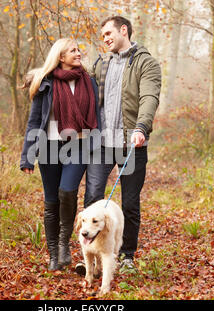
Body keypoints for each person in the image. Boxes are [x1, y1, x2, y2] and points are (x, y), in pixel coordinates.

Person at [76, 16, 161, 274]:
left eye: (108, 33)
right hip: (101, 144)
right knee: (92, 199)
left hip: (131, 144)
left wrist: (141, 127)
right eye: (102, 36)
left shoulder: (146, 63)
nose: (105, 39)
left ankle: (126, 257)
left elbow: (149, 96)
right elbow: (77, 82)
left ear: (124, 30)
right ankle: (89, 256)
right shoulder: (102, 64)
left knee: (130, 203)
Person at [20, 38, 101, 271]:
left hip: (77, 146)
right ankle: (54, 254)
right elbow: (34, 121)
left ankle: (65, 243)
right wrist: (27, 156)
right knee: (51, 201)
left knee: (67, 192)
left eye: (78, 50)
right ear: (61, 57)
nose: (78, 53)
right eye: (73, 51)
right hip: (48, 148)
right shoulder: (45, 83)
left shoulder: (88, 81)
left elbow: (95, 114)